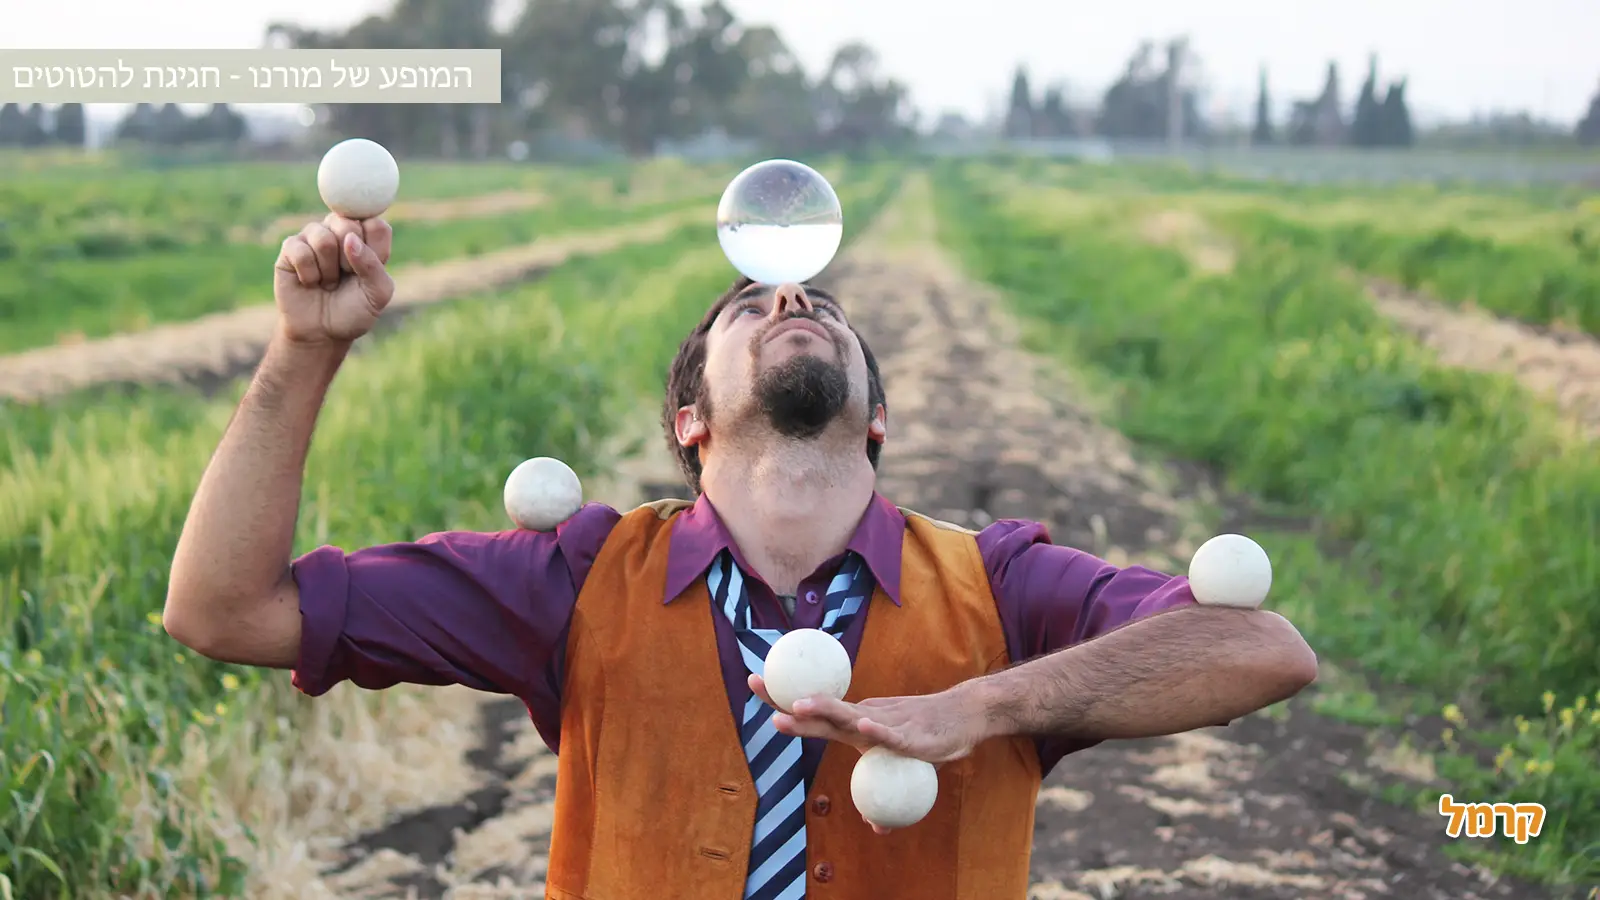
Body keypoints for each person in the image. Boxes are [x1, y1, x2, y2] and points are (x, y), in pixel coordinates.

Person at [165, 211, 1319, 900]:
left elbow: (1260, 649)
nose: (789, 295)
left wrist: (983, 705)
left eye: (821, 306)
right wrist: (300, 353)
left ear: (875, 417)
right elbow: (223, 610)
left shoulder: (997, 585)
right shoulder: (571, 578)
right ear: (689, 421)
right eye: (747, 309)